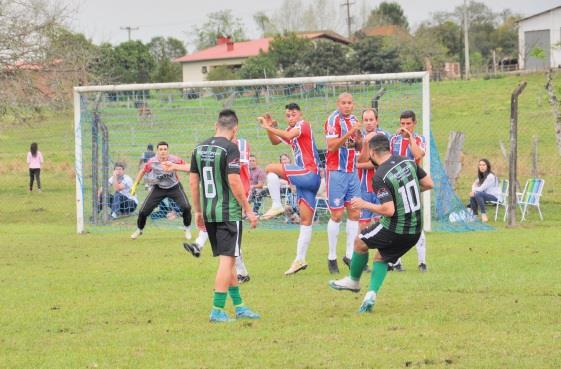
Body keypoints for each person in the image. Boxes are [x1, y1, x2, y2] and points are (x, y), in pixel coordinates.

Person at [329, 134, 434, 313]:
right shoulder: (407, 162)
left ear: (372, 151)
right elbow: (428, 183)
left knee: (360, 241)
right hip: (415, 231)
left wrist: (364, 204)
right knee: (381, 257)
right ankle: (371, 295)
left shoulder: (380, 175)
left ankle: (353, 281)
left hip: (396, 227)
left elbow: (389, 210)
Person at [185, 109, 260, 322]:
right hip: (229, 212)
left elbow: (193, 182)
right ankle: (217, 309)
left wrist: (198, 210)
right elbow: (235, 182)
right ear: (234, 129)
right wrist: (248, 209)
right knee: (227, 261)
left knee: (231, 259)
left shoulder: (198, 148)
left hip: (209, 211)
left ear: (215, 126)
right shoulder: (230, 148)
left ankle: (239, 306)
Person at [257, 103, 321, 275]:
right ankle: (299, 260)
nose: (291, 117)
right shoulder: (290, 130)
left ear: (300, 114)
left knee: (270, 167)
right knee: (305, 222)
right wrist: (270, 129)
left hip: (309, 173)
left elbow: (287, 134)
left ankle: (277, 204)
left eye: (293, 114)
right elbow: (275, 141)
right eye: (288, 115)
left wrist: (266, 126)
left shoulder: (303, 125)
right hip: (304, 180)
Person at [185, 135, 254, 284]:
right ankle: (199, 245)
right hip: (226, 197)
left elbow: (232, 178)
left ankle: (237, 277)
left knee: (230, 244)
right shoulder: (229, 150)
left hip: (237, 196)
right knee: (228, 241)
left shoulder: (235, 150)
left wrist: (247, 209)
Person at [324, 93, 362, 274]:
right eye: (343, 103)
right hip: (336, 171)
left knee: (355, 212)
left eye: (350, 103)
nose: (347, 106)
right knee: (337, 215)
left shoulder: (354, 119)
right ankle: (332, 257)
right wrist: (348, 133)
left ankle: (349, 256)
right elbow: (331, 147)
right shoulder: (332, 120)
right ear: (338, 104)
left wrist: (361, 138)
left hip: (352, 172)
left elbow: (358, 146)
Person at [389, 110, 428, 272]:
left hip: (411, 184)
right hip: (395, 185)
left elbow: (418, 154)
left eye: (408, 124)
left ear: (414, 124)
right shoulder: (393, 140)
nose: (405, 127)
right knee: (396, 223)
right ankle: (396, 262)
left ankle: (422, 262)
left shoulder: (419, 139)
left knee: (415, 222)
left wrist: (409, 137)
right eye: (402, 124)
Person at [129, 141, 192, 240]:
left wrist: (192, 175)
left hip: (174, 187)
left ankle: (187, 228)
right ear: (157, 151)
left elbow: (187, 166)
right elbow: (142, 171)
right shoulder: (152, 162)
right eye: (161, 149)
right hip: (159, 188)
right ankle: (139, 229)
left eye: (165, 149)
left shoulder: (174, 159)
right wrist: (135, 185)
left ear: (168, 150)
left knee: (186, 207)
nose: (163, 151)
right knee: (142, 211)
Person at [357, 108, 390, 230]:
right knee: (363, 224)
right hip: (363, 187)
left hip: (381, 185)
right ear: (362, 122)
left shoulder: (383, 136)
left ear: (377, 121)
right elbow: (362, 159)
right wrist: (365, 143)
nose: (369, 122)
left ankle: (381, 249)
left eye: (371, 119)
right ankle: (360, 249)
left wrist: (357, 165)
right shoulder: (358, 138)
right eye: (366, 120)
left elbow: (378, 162)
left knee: (381, 223)